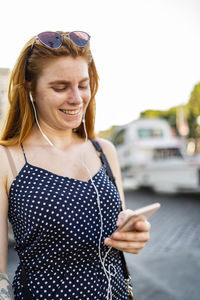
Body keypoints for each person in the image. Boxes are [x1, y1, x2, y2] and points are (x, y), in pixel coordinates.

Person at [0, 31, 151, 300]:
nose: (77, 98)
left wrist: (134, 234)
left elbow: (119, 233)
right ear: (31, 90)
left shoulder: (104, 151)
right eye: (60, 87)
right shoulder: (7, 158)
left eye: (83, 85)